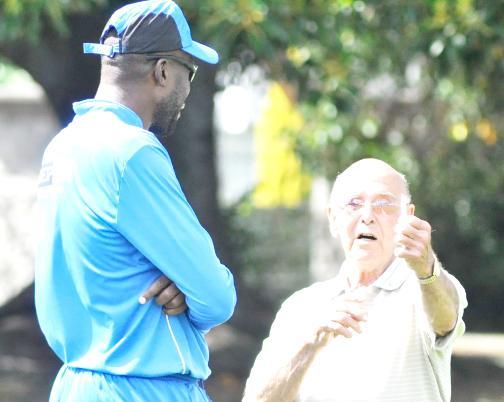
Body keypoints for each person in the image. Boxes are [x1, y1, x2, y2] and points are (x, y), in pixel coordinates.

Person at [34, 1, 236, 401]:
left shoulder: (63, 146)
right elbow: (216, 298)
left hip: (76, 384)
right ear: (162, 71)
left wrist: (184, 283)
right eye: (189, 71)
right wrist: (187, 286)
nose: (188, 88)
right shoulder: (131, 151)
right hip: (141, 388)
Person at [243, 158, 467, 402]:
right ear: (333, 218)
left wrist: (426, 267)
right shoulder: (300, 307)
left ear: (407, 216)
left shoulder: (426, 288)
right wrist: (309, 343)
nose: (367, 216)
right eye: (354, 204)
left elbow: (444, 318)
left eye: (383, 204)